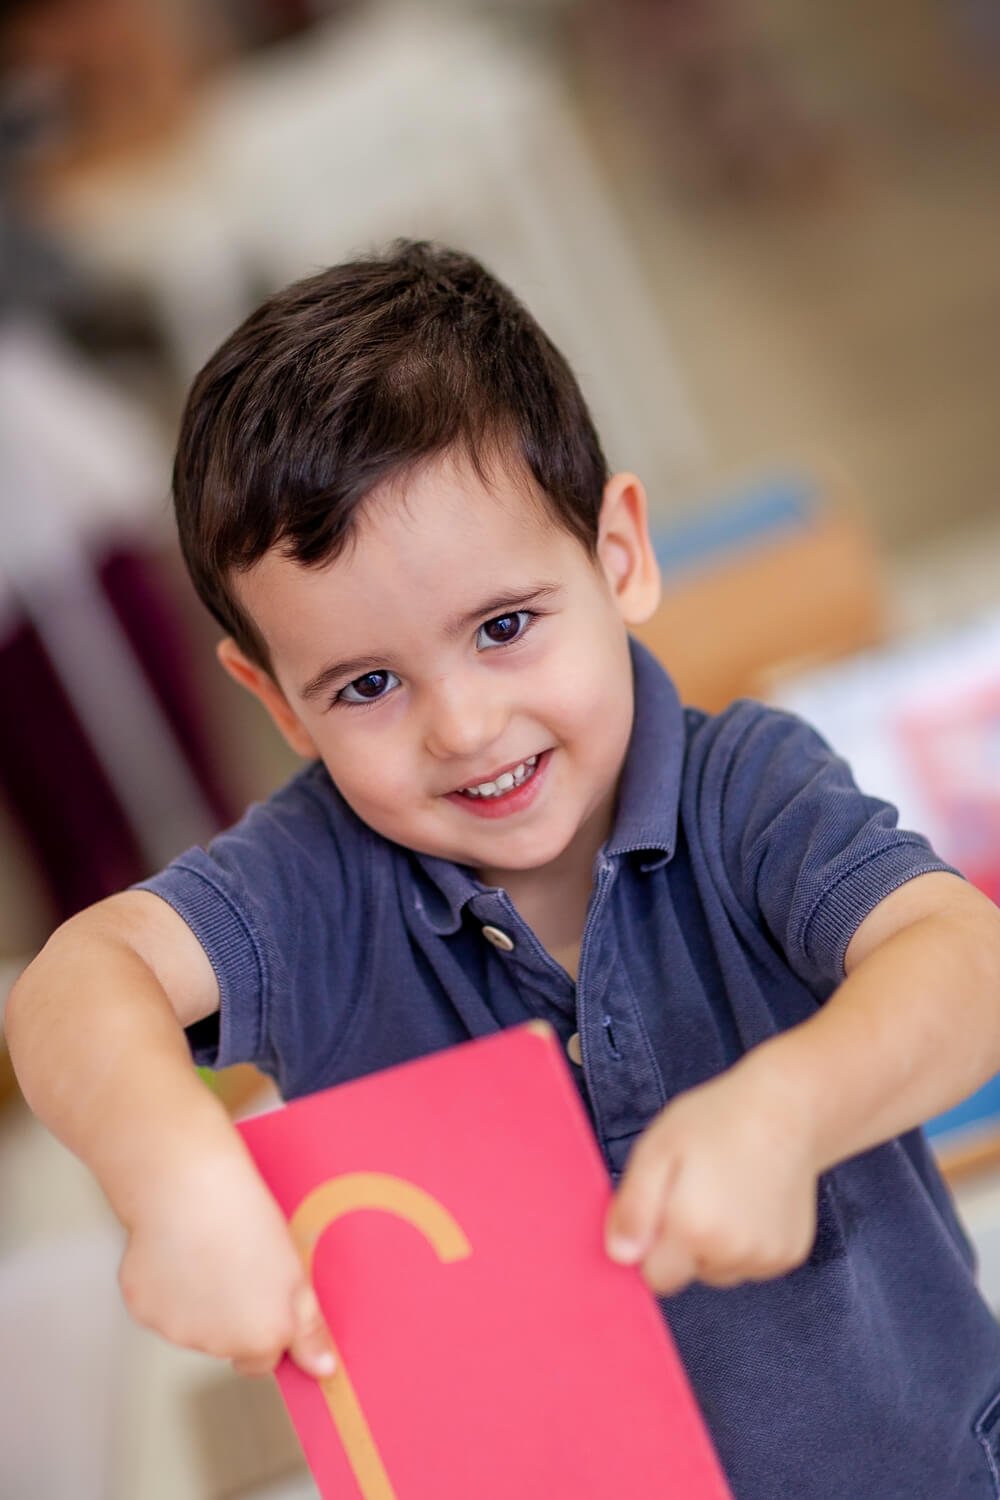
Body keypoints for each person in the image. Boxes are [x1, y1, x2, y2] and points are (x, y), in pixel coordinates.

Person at [7, 240, 1000, 1499]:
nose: (464, 726)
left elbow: (963, 964)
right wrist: (171, 1176)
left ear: (619, 554)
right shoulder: (309, 886)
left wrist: (790, 1108)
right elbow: (77, 978)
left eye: (504, 626)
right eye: (368, 684)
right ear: (278, 702)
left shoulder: (749, 789)